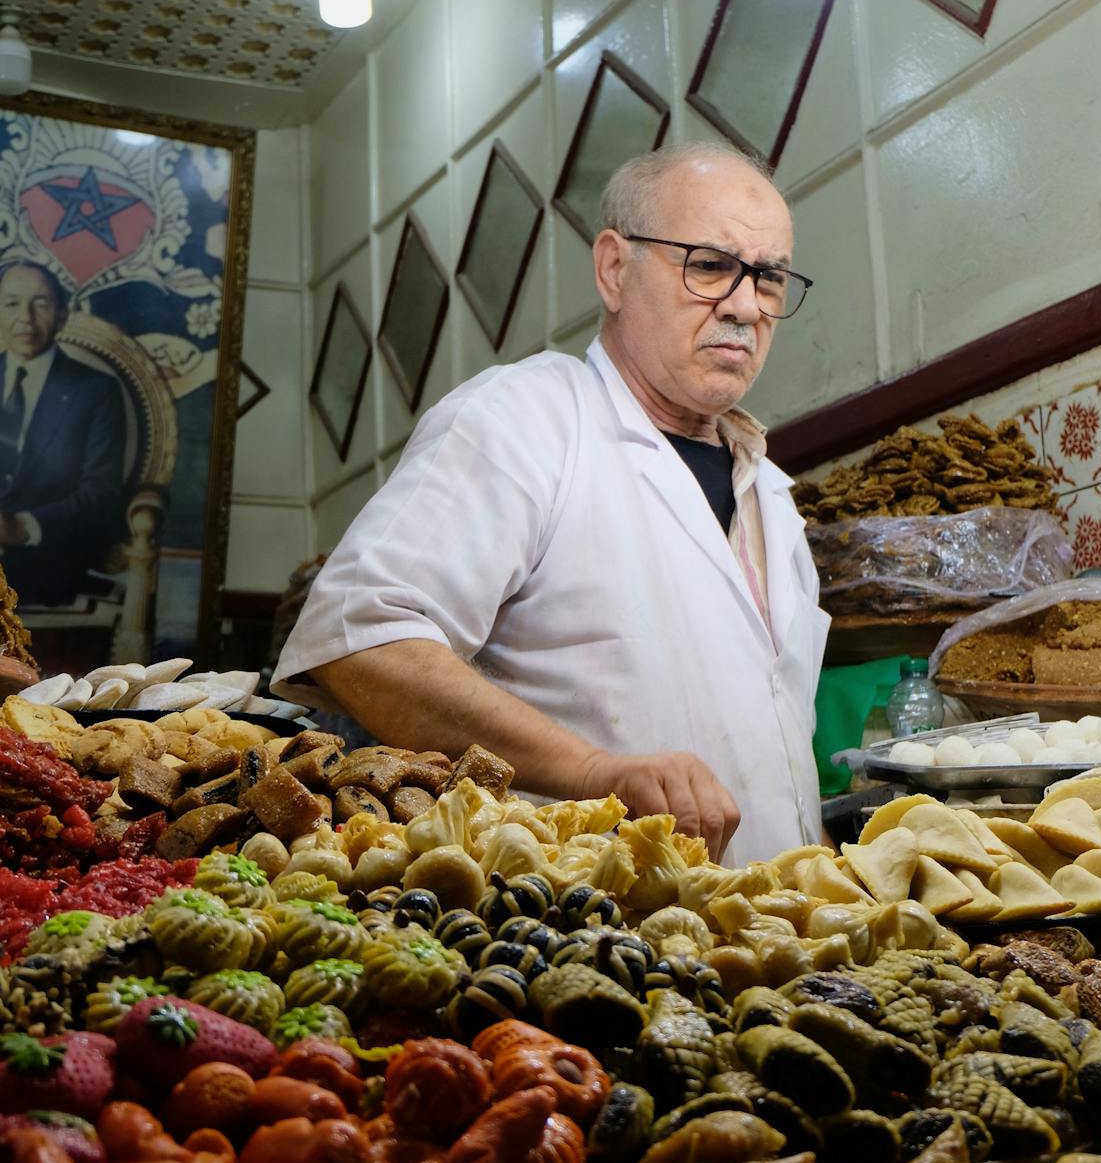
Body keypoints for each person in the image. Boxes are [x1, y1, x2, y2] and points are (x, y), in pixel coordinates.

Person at [276, 144, 829, 863]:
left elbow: (775, 753)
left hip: (775, 942)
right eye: (710, 266)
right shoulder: (520, 419)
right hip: (583, 932)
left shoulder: (773, 495)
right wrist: (595, 774)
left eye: (769, 277)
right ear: (613, 269)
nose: (745, 305)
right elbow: (362, 642)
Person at [0, 259, 127, 606]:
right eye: (11, 303)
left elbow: (101, 494)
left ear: (62, 315)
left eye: (40, 303)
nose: (25, 317)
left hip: (48, 564)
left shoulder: (96, 390)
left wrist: (22, 528)